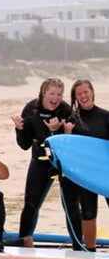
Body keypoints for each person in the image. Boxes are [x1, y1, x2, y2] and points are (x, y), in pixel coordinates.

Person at [12, 77, 82, 248]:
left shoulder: (66, 110)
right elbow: (24, 144)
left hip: (63, 163)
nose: (56, 98)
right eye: (52, 93)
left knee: (71, 205)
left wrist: (57, 131)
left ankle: (78, 246)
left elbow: (73, 143)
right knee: (30, 204)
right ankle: (24, 242)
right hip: (40, 161)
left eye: (59, 94)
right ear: (44, 93)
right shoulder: (30, 109)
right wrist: (19, 129)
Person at [62, 79, 109, 251]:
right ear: (75, 97)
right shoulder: (72, 119)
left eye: (85, 92)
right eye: (79, 94)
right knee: (88, 213)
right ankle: (91, 251)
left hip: (105, 170)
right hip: (86, 173)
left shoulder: (105, 116)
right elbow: (67, 148)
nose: (83, 96)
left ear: (92, 92)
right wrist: (67, 133)